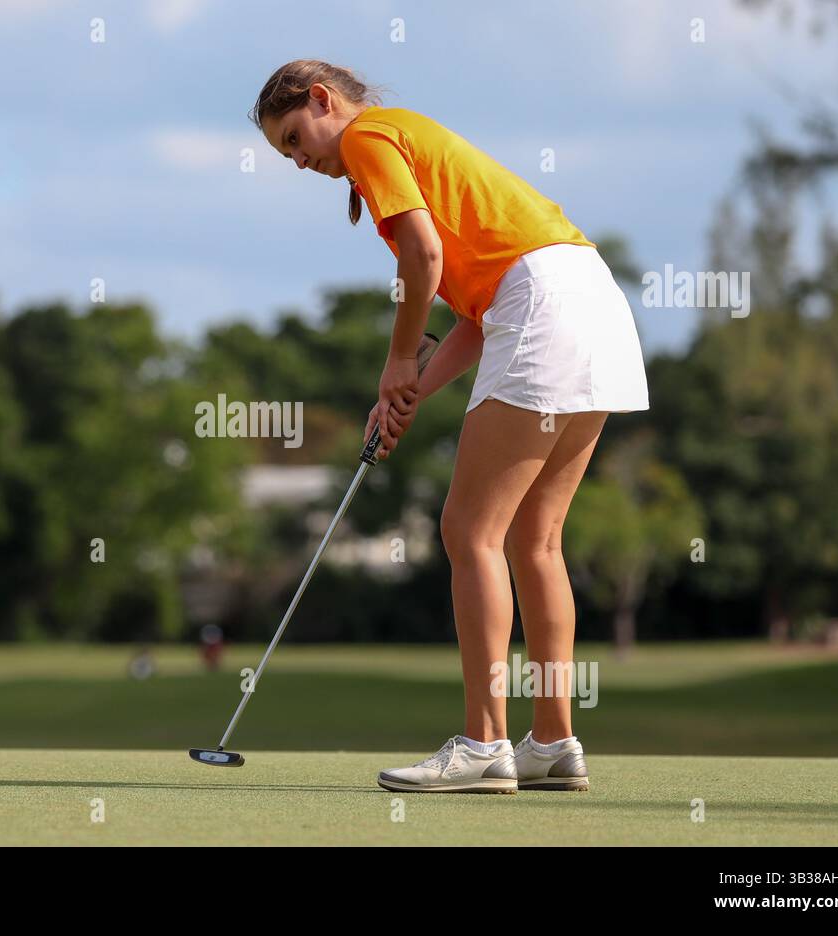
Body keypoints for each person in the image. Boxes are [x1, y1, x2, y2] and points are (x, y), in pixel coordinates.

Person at [250, 60, 649, 793]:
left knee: (470, 532)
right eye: (286, 153)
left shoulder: (370, 136)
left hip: (543, 304)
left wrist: (399, 358)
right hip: (592, 301)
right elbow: (472, 316)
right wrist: (407, 393)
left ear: (320, 100)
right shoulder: (406, 138)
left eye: (295, 138)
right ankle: (553, 742)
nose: (299, 159)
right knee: (537, 539)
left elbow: (423, 256)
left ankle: (484, 744)